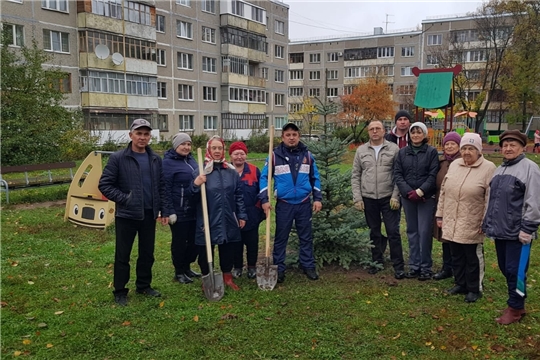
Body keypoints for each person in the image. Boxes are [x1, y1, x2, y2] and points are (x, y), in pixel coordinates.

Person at [98, 119, 171, 306]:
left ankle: (144, 286)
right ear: (131, 135)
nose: (142, 137)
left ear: (150, 137)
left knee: (147, 253)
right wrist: (125, 199)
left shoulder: (155, 159)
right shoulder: (118, 158)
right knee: (123, 255)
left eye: (146, 134)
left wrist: (163, 209)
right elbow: (105, 185)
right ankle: (120, 291)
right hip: (127, 215)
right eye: (139, 133)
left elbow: (161, 186)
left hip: (149, 214)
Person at [482, 130, 540, 324]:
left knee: (516, 270)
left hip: (518, 232)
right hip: (500, 231)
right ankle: (518, 302)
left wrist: (528, 228)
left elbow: (534, 200)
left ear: (522, 147)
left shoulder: (530, 169)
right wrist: (487, 223)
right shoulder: (500, 169)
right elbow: (492, 200)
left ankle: (514, 308)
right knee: (505, 268)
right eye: (505, 145)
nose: (508, 148)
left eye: (512, 145)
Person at [435, 133, 496, 303]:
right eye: (464, 148)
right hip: (452, 218)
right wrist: (439, 214)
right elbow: (444, 192)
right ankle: (460, 283)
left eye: (471, 148)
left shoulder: (488, 168)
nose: (467, 152)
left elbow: (490, 198)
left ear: (479, 150)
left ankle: (474, 288)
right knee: (456, 254)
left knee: (472, 257)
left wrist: (486, 221)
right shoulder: (455, 165)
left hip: (473, 220)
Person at [259, 123, 322, 283]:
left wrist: (318, 198)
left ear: (298, 136)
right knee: (281, 237)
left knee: (306, 237)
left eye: (294, 134)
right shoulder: (274, 156)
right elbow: (264, 178)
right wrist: (265, 200)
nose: (291, 137)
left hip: (303, 202)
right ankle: (279, 268)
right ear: (283, 137)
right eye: (288, 135)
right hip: (284, 204)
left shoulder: (307, 156)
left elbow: (315, 177)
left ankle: (308, 265)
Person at [351, 120, 405, 280]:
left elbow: (398, 175)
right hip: (368, 198)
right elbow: (355, 175)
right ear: (368, 132)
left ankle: (398, 266)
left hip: (388, 198)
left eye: (378, 129)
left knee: (393, 232)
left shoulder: (394, 149)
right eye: (371, 129)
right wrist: (357, 197)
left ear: (383, 131)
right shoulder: (361, 151)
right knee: (374, 231)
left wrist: (396, 196)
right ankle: (376, 261)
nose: (375, 131)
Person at [192, 136, 247, 291]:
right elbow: (192, 197)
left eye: (220, 148)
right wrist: (195, 185)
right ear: (208, 149)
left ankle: (227, 277)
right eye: (214, 148)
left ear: (223, 150)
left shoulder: (231, 172)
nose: (217, 151)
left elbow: (238, 196)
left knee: (227, 247)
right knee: (205, 249)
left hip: (228, 217)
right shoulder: (201, 171)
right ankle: (207, 279)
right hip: (208, 217)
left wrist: (242, 215)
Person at [394, 122, 439, 280]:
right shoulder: (403, 153)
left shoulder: (431, 152)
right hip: (408, 198)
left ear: (425, 135)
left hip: (425, 198)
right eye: (413, 133)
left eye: (419, 132)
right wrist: (408, 192)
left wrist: (420, 191)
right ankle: (414, 265)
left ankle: (426, 266)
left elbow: (433, 175)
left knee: (424, 231)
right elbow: (398, 174)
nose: (416, 135)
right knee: (412, 231)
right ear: (409, 135)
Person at [162, 132, 200, 284]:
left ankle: (187, 267)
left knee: (193, 241)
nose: (186, 147)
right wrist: (169, 211)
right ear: (176, 145)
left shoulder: (191, 160)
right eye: (183, 144)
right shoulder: (168, 163)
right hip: (179, 210)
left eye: (189, 144)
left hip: (194, 209)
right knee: (179, 242)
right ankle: (179, 271)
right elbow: (165, 188)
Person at [229, 141, 264, 279]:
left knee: (252, 242)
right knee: (236, 242)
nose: (239, 157)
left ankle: (252, 267)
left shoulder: (255, 170)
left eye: (242, 154)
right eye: (236, 154)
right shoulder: (226, 171)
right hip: (232, 214)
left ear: (246, 155)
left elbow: (262, 191)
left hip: (251, 213)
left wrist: (260, 209)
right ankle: (237, 267)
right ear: (230, 156)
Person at [432, 131, 462, 281]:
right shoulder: (441, 162)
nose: (450, 146)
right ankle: (447, 267)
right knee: (445, 237)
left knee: (456, 239)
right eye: (447, 144)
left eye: (453, 144)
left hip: (458, 206)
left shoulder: (463, 161)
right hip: (441, 204)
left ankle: (458, 269)